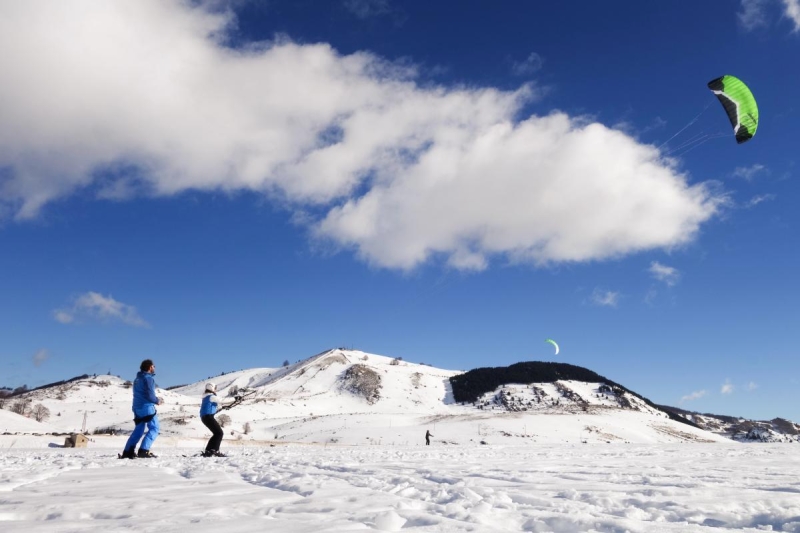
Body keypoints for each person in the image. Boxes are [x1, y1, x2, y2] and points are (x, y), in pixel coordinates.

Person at [119, 359, 162, 459]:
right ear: (150, 367)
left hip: (136, 407)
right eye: (154, 366)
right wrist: (157, 401)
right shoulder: (148, 379)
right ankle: (143, 450)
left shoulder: (137, 379)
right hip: (146, 407)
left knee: (139, 430)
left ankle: (128, 452)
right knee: (154, 428)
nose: (155, 368)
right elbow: (149, 395)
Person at [200, 382, 237, 457]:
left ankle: (209, 451)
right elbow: (222, 400)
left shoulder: (206, 397)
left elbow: (212, 408)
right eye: (215, 388)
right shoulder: (211, 396)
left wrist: (224, 407)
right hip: (208, 417)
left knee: (216, 433)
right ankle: (214, 451)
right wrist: (234, 398)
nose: (216, 390)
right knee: (219, 433)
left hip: (206, 417)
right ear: (212, 388)